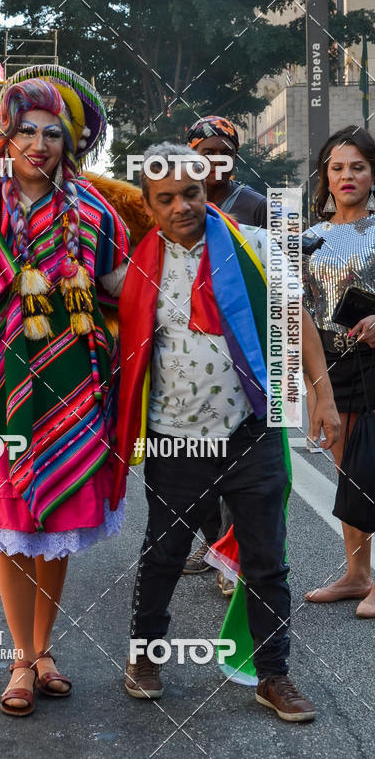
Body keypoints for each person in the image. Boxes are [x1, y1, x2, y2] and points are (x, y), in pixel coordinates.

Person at [0, 67, 129, 716]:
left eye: (52, 134)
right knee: (12, 527)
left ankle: (45, 649)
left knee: (58, 519)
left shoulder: (94, 211)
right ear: (6, 137)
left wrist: (193, 267)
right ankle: (20, 657)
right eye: (27, 131)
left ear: (68, 144)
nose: (39, 144)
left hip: (74, 386)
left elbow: (124, 284)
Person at [116, 144, 338, 721]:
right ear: (150, 204)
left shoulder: (254, 246)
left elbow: (298, 319)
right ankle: (145, 658)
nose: (181, 206)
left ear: (206, 187)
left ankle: (274, 675)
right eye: (165, 199)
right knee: (163, 553)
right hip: (175, 440)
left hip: (251, 433)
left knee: (268, 561)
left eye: (190, 193)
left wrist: (322, 395)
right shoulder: (134, 270)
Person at [183, 116, 268, 593]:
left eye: (224, 151)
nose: (214, 160)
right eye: (205, 151)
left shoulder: (254, 204)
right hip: (192, 350)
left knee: (240, 458)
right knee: (197, 456)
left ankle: (235, 559)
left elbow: (277, 275)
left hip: (245, 348)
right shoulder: (181, 200)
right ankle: (211, 541)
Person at [303, 126, 375, 618]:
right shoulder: (307, 239)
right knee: (347, 467)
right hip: (330, 366)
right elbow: (294, 314)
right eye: (337, 167)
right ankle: (357, 574)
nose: (346, 176)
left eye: (358, 166)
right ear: (325, 176)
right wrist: (310, 385)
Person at [187, 115, 267, 227]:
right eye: (208, 154)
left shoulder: (258, 207)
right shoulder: (178, 204)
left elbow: (289, 242)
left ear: (236, 157)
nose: (219, 161)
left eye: (227, 154)